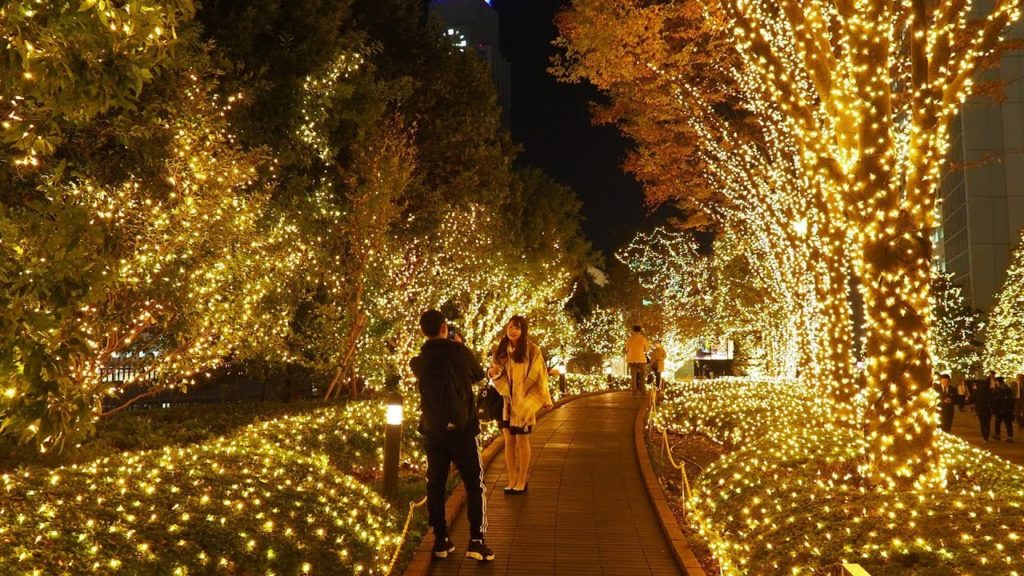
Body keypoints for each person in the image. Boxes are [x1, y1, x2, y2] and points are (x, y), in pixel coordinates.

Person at [410, 309, 494, 562]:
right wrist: (460, 347)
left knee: (435, 483)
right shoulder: (460, 353)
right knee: (474, 484)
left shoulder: (418, 361)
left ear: (423, 331)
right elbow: (480, 375)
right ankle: (476, 541)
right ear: (445, 327)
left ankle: (441, 540)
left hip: (434, 432)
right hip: (463, 429)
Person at [488, 315, 552, 495]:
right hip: (506, 403)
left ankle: (522, 480)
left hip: (523, 402)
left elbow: (540, 376)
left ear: (523, 330)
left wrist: (545, 398)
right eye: (510, 327)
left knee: (522, 441)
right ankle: (512, 480)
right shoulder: (501, 350)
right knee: (508, 441)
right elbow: (494, 371)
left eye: (517, 328)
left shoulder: (532, 350)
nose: (512, 331)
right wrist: (494, 374)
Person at [625, 325, 650, 395]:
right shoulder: (643, 339)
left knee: (633, 376)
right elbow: (647, 349)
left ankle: (634, 391)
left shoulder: (629, 339)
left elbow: (626, 349)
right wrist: (642, 350)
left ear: (633, 331)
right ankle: (643, 391)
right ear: (640, 330)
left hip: (632, 360)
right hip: (641, 359)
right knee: (642, 376)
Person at [993, 376, 1014, 442]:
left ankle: (997, 435)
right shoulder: (1008, 389)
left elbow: (995, 400)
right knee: (1008, 423)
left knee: (998, 422)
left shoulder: (997, 390)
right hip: (1008, 409)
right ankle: (1010, 436)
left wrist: (994, 409)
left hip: (1000, 409)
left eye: (996, 381)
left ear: (998, 382)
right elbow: (1012, 399)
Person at [973, 377, 994, 443]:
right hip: (988, 409)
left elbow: (971, 398)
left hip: (980, 409)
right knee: (987, 424)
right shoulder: (989, 391)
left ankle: (984, 436)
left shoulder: (977, 391)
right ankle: (986, 437)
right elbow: (992, 400)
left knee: (982, 423)